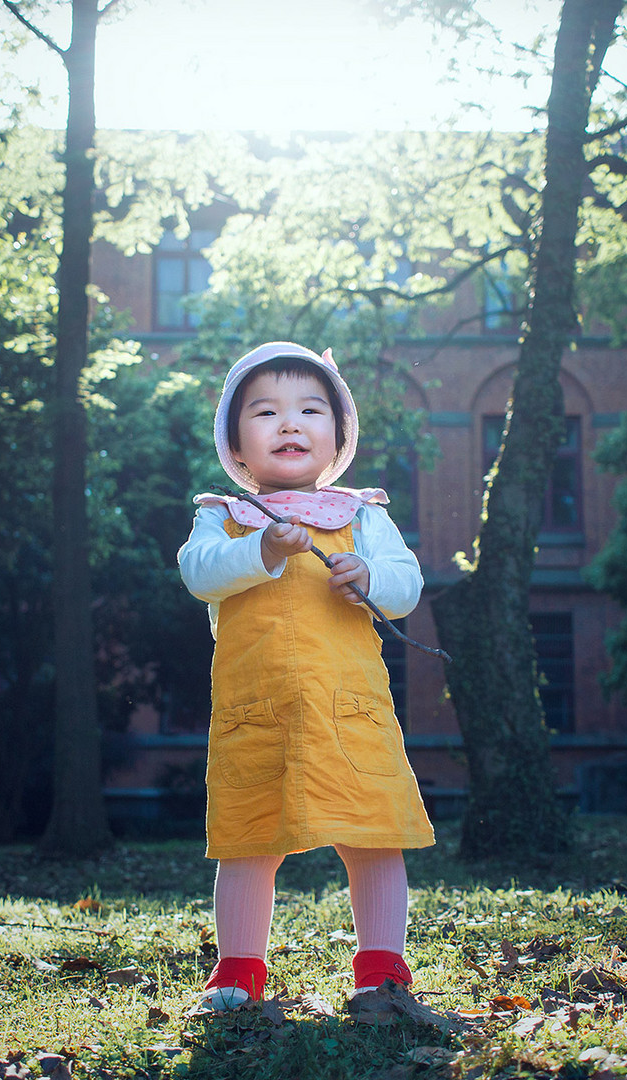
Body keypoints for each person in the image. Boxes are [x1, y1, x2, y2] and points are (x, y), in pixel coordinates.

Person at [178, 340, 435, 1012]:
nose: (289, 423)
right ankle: (238, 969)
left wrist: (371, 578)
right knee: (248, 836)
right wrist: (260, 546)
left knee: (373, 832)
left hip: (348, 709)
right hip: (257, 711)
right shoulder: (224, 516)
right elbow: (199, 573)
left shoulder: (361, 514)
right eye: (265, 412)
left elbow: (407, 584)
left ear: (338, 436)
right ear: (236, 447)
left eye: (310, 410)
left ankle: (382, 968)